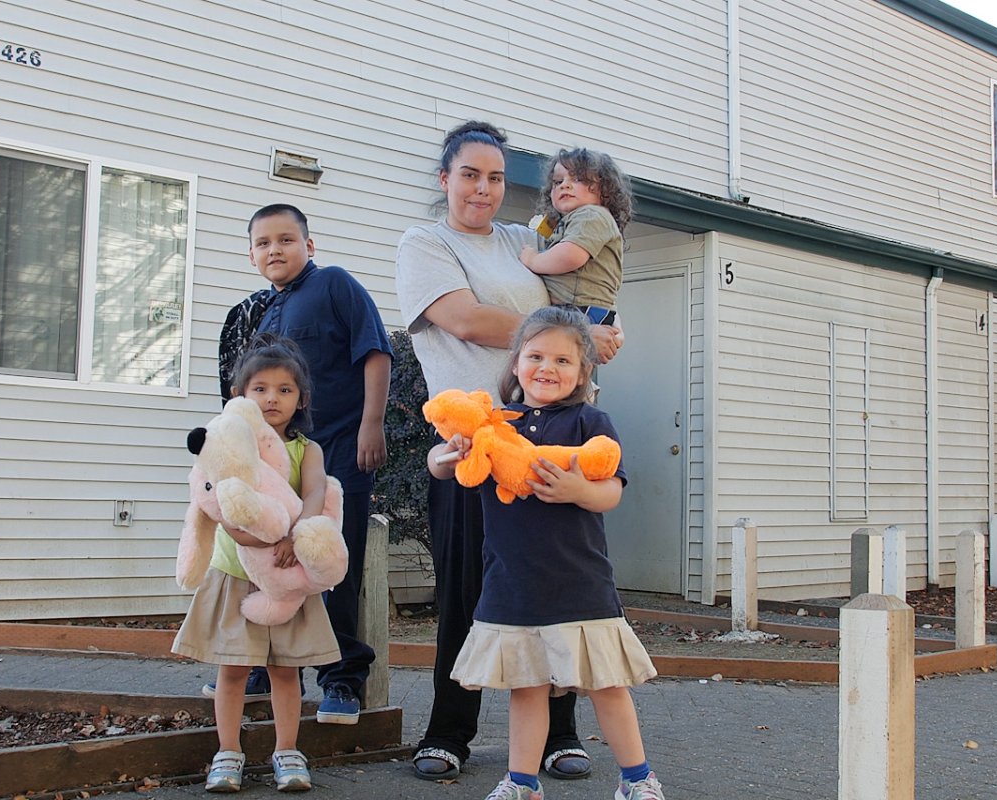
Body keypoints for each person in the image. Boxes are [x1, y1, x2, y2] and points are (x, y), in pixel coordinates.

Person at [392, 120, 622, 783]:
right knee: (466, 590)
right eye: (469, 174)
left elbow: (582, 292)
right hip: (473, 445)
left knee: (558, 588)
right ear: (445, 179)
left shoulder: (525, 240)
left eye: (496, 177)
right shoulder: (425, 241)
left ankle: (560, 733)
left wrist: (600, 330)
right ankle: (449, 732)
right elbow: (464, 318)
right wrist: (570, 330)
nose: (484, 188)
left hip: (551, 439)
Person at [429, 307, 662, 800]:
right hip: (514, 584)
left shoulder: (590, 421)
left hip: (580, 583)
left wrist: (579, 488)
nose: (547, 368)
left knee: (607, 685)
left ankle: (638, 779)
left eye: (562, 359)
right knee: (526, 687)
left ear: (583, 372)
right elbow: (443, 464)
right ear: (515, 363)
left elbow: (612, 492)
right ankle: (522, 782)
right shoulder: (496, 426)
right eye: (535, 355)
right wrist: (441, 457)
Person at [207, 204, 392, 725]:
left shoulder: (333, 285)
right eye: (263, 243)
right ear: (251, 256)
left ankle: (342, 679)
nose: (275, 250)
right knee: (267, 559)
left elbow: (375, 353)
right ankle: (264, 664)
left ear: (309, 246)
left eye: (286, 240)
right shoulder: (264, 313)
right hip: (278, 464)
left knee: (332, 562)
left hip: (340, 451)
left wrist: (371, 424)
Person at [172, 335, 339, 793]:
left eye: (284, 389)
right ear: (238, 396)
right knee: (233, 670)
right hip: (235, 572)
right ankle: (228, 753)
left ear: (301, 398)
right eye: (260, 388)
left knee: (287, 670)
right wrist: (241, 532)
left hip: (287, 576)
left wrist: (297, 536)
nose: (272, 398)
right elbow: (216, 500)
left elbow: (315, 494)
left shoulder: (308, 449)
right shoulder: (226, 443)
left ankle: (287, 750)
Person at [520, 148, 633, 328]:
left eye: (578, 179)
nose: (564, 185)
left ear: (604, 189)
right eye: (557, 182)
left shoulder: (592, 215)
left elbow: (570, 255)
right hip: (578, 308)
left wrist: (533, 260)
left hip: (582, 309)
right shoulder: (570, 220)